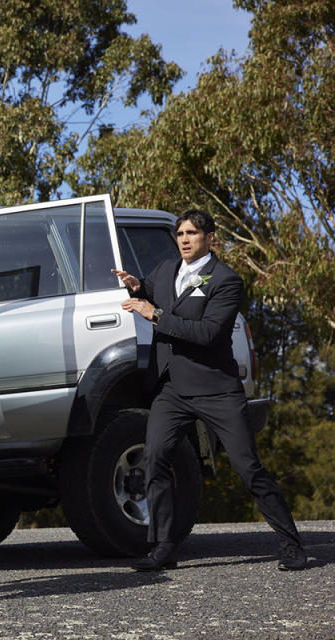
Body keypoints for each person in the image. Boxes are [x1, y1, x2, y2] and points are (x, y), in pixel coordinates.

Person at [112, 209, 307, 572]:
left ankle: (292, 544)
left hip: (216, 390)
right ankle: (163, 548)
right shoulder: (167, 269)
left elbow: (207, 334)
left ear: (210, 238)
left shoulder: (226, 280)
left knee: (247, 467)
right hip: (171, 388)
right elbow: (149, 289)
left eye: (192, 233)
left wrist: (153, 315)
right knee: (155, 459)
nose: (184, 239)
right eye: (180, 233)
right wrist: (134, 284)